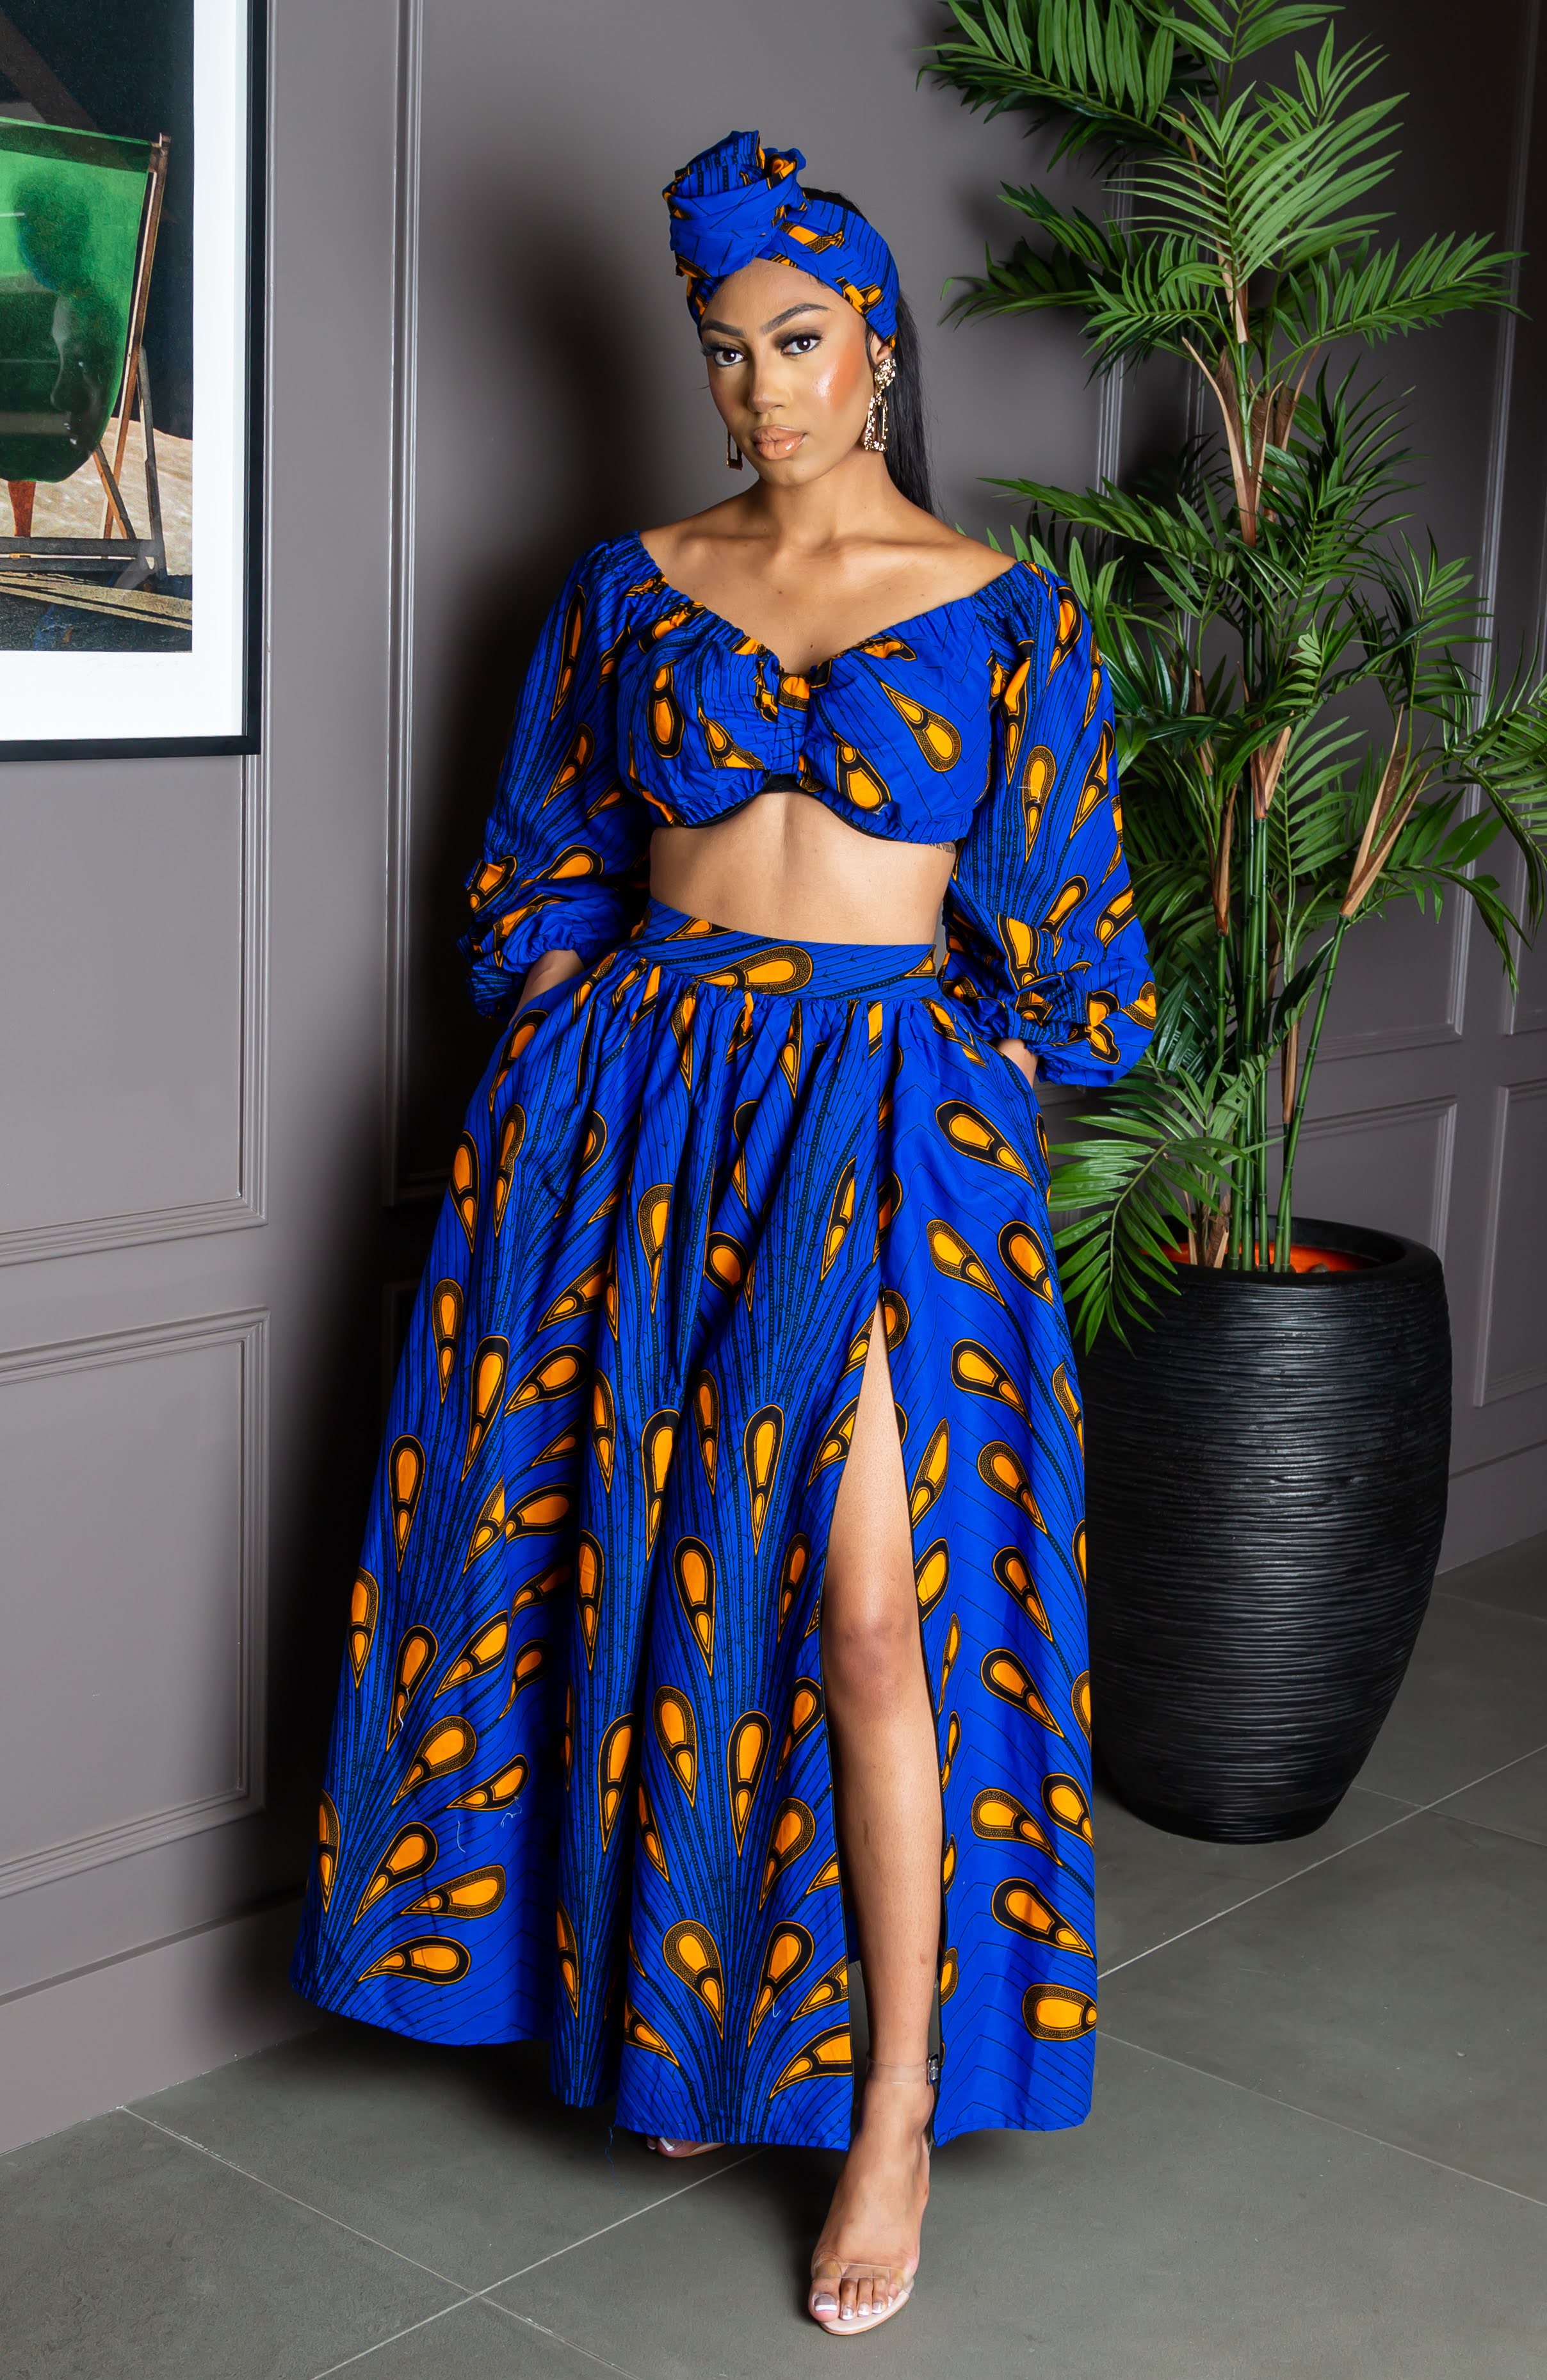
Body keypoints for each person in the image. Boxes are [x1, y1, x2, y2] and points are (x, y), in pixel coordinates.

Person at [291, 129, 1155, 2338]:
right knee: (653, 1571)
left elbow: (1083, 965)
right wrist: (585, 1078)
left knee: (871, 1619)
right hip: (639, 1131)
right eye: (724, 349)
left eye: (797, 337)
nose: (761, 386)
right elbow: (529, 882)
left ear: (878, 347)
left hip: (877, 1133)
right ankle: (688, 2027)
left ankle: (890, 2114)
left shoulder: (1012, 616)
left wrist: (912, 1077)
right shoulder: (624, 589)